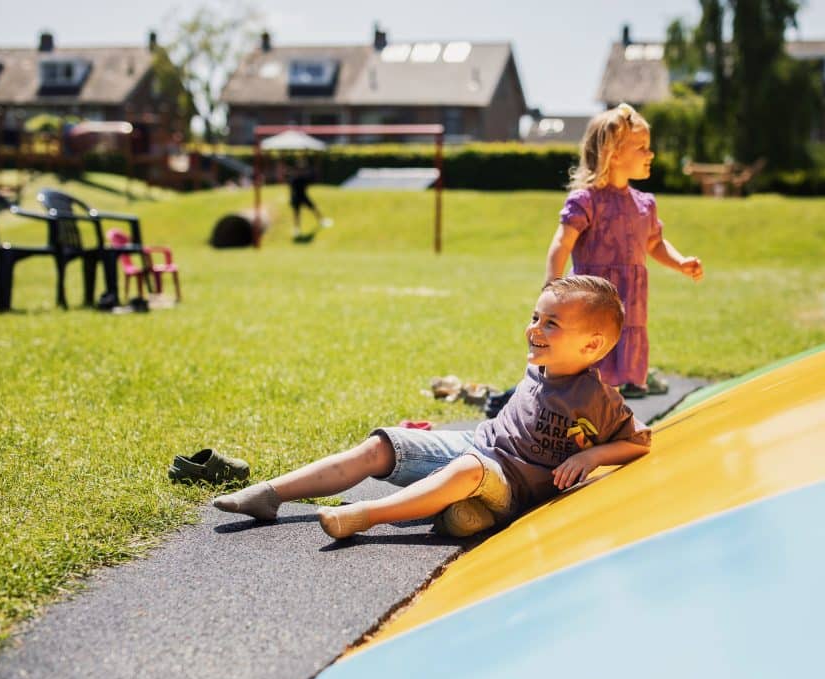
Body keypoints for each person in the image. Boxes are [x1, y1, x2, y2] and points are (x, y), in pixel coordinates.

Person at [213, 275, 652, 540]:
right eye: (536, 316)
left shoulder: (597, 398)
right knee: (382, 444)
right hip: (476, 445)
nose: (533, 329)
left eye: (550, 323)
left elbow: (639, 441)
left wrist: (592, 455)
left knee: (467, 473)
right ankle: (271, 495)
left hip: (511, 482)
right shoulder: (541, 364)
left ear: (591, 345)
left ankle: (365, 517)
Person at [544, 102, 704, 398]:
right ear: (613, 154)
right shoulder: (586, 200)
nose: (650, 154)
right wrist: (552, 286)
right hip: (593, 301)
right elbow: (562, 242)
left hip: (629, 303)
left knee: (622, 357)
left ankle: (619, 400)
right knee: (589, 355)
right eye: (641, 147)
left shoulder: (644, 204)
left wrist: (680, 262)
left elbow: (654, 242)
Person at [288, 156, 330, 236]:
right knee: (297, 214)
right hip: (296, 197)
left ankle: (322, 221)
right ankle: (297, 229)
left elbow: (312, 179)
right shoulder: (294, 177)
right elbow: (291, 189)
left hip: (303, 196)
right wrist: (291, 199)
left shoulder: (304, 176)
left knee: (314, 208)